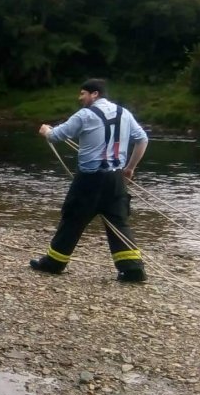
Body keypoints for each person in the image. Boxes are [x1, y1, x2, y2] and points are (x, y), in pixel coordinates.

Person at [31, 78, 149, 283]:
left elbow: (57, 136)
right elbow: (143, 139)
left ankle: (54, 263)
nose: (80, 98)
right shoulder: (124, 113)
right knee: (118, 221)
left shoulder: (85, 115)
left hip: (89, 179)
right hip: (115, 177)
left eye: (83, 93)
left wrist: (46, 131)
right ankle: (132, 270)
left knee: (73, 218)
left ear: (95, 94)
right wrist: (130, 168)